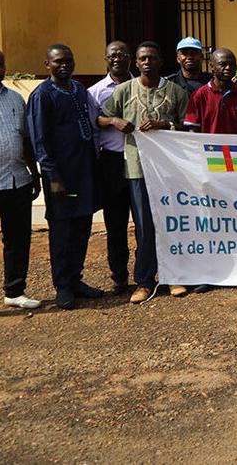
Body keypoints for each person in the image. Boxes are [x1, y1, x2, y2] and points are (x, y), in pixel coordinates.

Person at [100, 41, 189, 304]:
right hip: (136, 168)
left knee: (172, 223)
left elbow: (188, 126)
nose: (147, 62)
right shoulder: (124, 90)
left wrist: (166, 124)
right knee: (144, 225)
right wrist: (115, 120)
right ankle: (145, 280)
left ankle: (174, 276)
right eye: (142, 58)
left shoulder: (176, 92)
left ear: (161, 62)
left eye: (152, 58)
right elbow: (101, 118)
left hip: (169, 170)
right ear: (136, 63)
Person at [27, 44, 103, 310]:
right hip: (61, 178)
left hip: (83, 174)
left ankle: (75, 279)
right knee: (62, 230)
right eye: (58, 61)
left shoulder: (79, 89)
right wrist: (52, 176)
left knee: (82, 226)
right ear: (47, 64)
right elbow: (39, 139)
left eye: (68, 60)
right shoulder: (42, 95)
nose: (64, 65)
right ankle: (62, 286)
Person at [88, 41, 134, 295]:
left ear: (130, 58)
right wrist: (112, 120)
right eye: (112, 55)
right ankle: (119, 277)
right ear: (106, 59)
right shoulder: (95, 91)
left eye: (122, 54)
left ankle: (146, 274)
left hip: (140, 160)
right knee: (115, 224)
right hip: (112, 161)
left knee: (145, 221)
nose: (117, 59)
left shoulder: (141, 85)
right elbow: (92, 121)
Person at [0, 49, 43, 310]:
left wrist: (34, 174)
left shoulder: (16, 99)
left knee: (17, 240)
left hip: (16, 180)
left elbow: (26, 140)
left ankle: (15, 291)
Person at [184, 48, 237, 134]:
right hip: (208, 143)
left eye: (232, 64)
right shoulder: (199, 95)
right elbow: (193, 130)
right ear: (212, 67)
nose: (228, 68)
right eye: (222, 64)